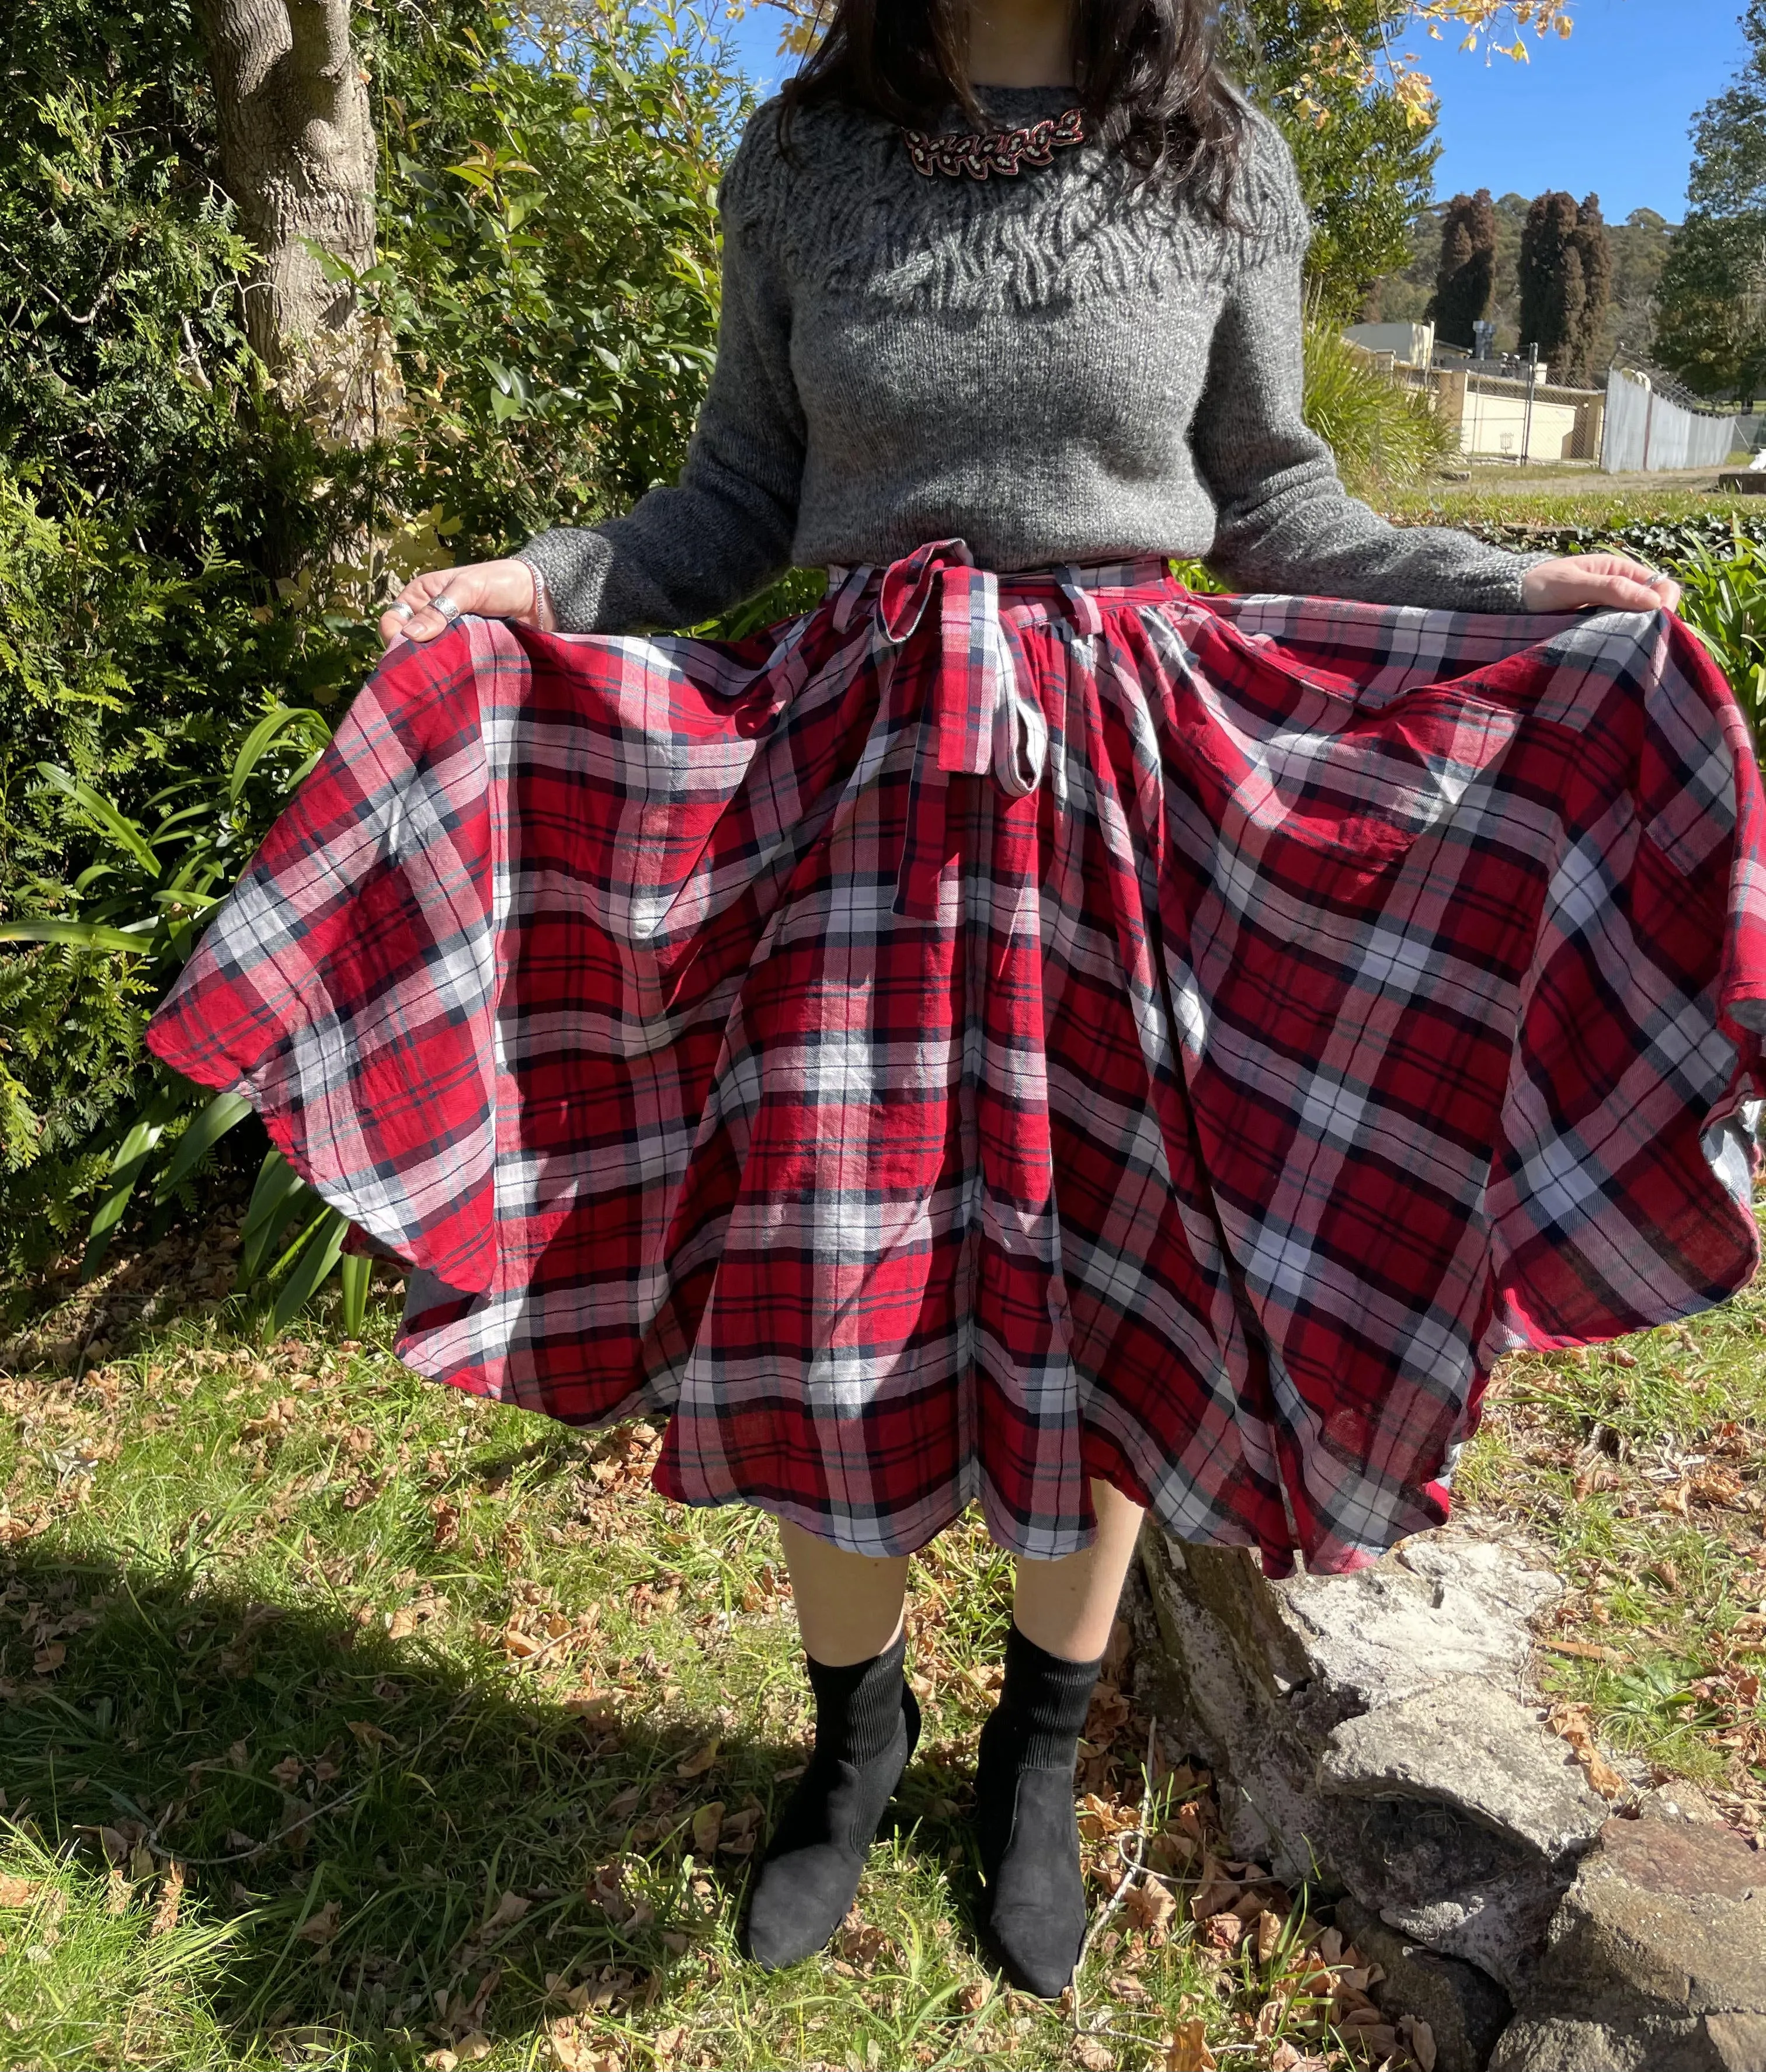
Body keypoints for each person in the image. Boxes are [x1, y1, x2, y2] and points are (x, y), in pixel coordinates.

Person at [148, 0, 1765, 2004]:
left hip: (1122, 789)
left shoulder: (1216, 153)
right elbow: (731, 497)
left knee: (1095, 1280)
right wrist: (542, 585)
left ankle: (1041, 1753)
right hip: (862, 779)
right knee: (831, 1279)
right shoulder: (805, 158)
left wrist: (1507, 594)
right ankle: (855, 1738)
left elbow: (1276, 502)